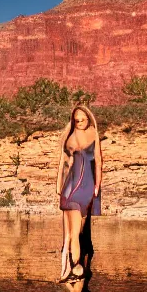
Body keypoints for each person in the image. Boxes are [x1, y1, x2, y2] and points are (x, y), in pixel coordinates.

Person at [56, 105, 102, 282]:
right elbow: (64, 162)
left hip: (87, 185)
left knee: (79, 230)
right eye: (77, 120)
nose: (80, 122)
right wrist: (58, 184)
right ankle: (73, 268)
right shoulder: (70, 139)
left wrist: (97, 184)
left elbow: (98, 161)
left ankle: (75, 268)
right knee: (72, 232)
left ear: (88, 118)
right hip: (72, 186)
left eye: (83, 119)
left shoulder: (94, 133)